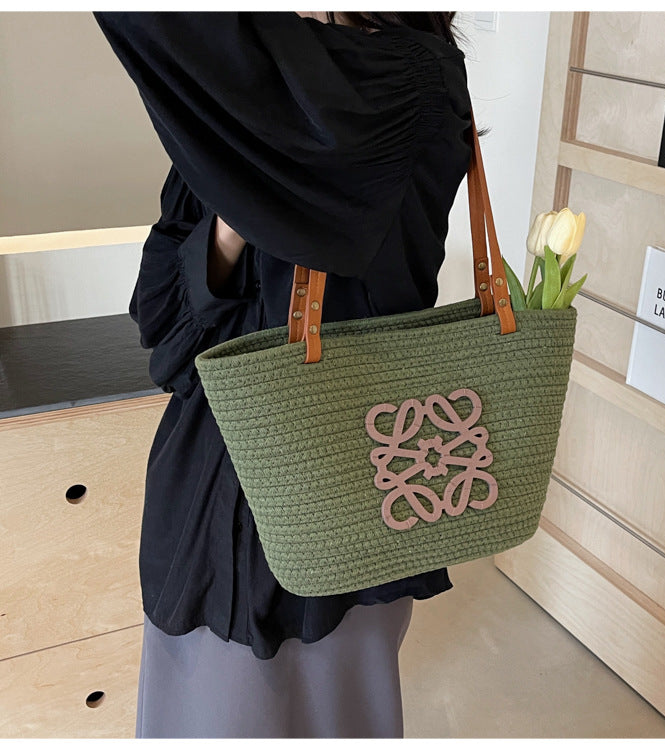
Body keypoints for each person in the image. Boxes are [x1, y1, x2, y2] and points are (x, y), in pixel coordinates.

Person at [93, 10, 473, 738]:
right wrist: (232, 222)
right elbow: (161, 324)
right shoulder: (238, 106)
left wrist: (243, 176)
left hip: (347, 493)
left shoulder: (407, 80)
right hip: (210, 507)